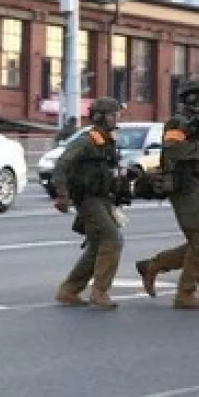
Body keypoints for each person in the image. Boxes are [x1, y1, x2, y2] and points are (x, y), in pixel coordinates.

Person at [134, 78, 199, 310]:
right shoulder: (178, 123)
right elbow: (174, 149)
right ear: (193, 98)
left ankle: (153, 266)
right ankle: (185, 293)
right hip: (184, 186)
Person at [53, 97, 126, 310]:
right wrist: (62, 194)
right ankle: (100, 292)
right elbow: (62, 165)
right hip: (87, 198)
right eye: (113, 115)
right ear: (100, 117)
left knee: (97, 245)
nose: (117, 119)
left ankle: (69, 290)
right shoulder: (87, 140)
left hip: (102, 198)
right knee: (112, 238)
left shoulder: (106, 140)